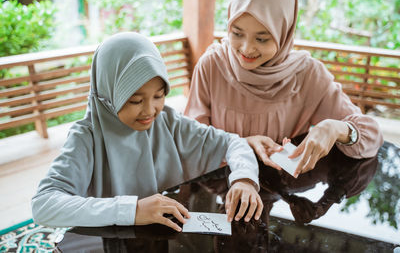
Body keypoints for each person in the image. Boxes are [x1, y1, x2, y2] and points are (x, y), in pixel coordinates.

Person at [31, 32, 263, 232]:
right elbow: (44, 204)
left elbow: (233, 143)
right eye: (135, 100)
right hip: (111, 242)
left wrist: (244, 179)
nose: (149, 110)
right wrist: (133, 210)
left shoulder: (168, 121)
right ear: (108, 95)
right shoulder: (87, 137)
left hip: (163, 238)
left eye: (159, 96)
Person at [184, 0, 383, 178]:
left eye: (262, 39)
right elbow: (191, 142)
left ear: (284, 33)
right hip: (222, 190)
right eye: (237, 34)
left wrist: (336, 128)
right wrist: (240, 145)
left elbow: (372, 136)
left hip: (283, 193)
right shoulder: (212, 66)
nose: (246, 48)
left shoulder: (308, 75)